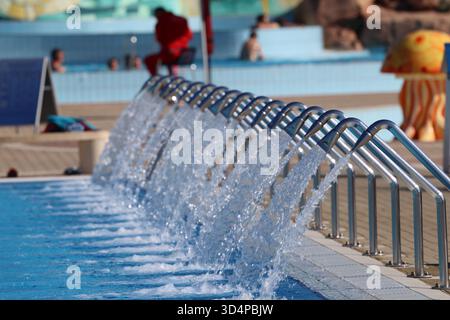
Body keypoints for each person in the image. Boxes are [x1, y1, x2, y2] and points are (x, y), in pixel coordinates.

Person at [144, 7, 193, 76]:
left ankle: (157, 78)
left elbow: (160, 39)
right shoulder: (181, 20)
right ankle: (171, 76)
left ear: (158, 14)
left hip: (171, 55)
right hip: (185, 54)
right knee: (167, 57)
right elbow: (190, 35)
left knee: (149, 60)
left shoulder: (161, 23)